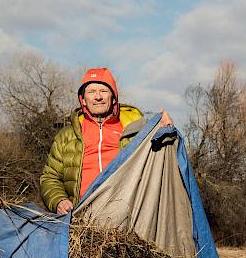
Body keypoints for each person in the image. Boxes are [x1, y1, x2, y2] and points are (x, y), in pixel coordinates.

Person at [40, 67, 172, 214]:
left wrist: (166, 130)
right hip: (80, 218)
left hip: (127, 216)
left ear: (113, 97)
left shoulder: (136, 131)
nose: (98, 97)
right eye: (91, 92)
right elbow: (50, 178)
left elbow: (160, 165)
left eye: (103, 91)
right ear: (83, 100)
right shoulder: (66, 136)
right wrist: (59, 200)